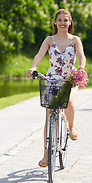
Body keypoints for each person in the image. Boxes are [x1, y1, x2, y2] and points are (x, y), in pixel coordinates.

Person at [26, 9, 86, 167]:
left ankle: (71, 127)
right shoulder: (49, 40)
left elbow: (81, 55)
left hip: (69, 78)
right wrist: (33, 67)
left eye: (65, 20)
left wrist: (82, 68)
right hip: (51, 79)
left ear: (70, 22)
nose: (62, 23)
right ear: (55, 22)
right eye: (59, 20)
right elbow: (39, 55)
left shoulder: (75, 40)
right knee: (49, 115)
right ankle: (46, 155)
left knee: (70, 102)